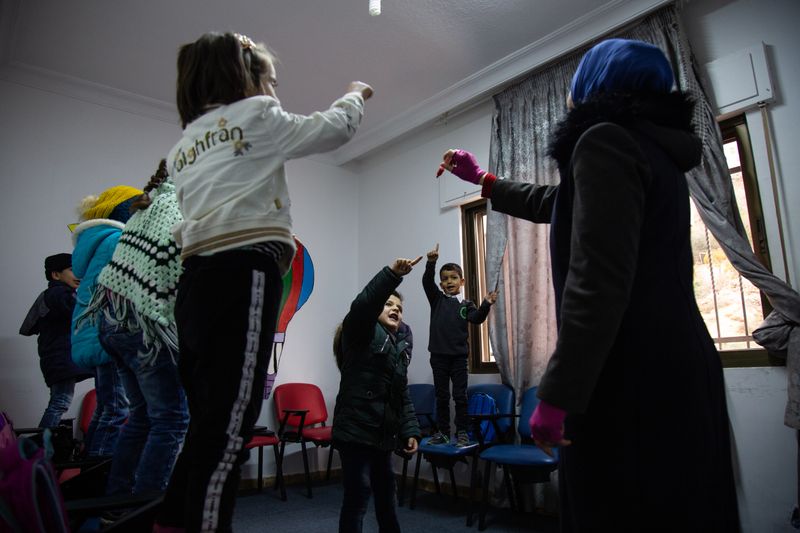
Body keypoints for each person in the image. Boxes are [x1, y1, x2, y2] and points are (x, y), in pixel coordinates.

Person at [439, 38, 739, 531]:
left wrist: (557, 394)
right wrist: (486, 182)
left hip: (628, 377)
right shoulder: (648, 147)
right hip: (673, 369)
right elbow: (558, 203)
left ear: (594, 85)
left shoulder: (604, 140)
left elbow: (597, 282)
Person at [155, 31, 373, 533]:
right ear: (245, 80)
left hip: (195, 285)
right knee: (233, 425)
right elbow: (332, 129)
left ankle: (170, 521)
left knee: (208, 420)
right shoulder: (256, 116)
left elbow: (187, 221)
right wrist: (355, 94)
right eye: (269, 81)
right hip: (244, 273)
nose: (273, 92)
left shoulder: (183, 148)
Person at [82, 160, 189, 501]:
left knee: (142, 418)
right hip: (147, 327)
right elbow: (179, 274)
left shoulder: (148, 206)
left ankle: (117, 503)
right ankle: (146, 510)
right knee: (171, 420)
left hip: (116, 324)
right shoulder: (177, 210)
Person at [332, 257, 422, 533]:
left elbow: (401, 395)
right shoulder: (360, 332)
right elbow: (362, 306)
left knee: (387, 497)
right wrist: (392, 275)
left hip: (383, 434)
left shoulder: (399, 348)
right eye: (389, 304)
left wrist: (410, 430)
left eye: (400, 307)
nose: (396, 309)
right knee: (358, 496)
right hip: (356, 431)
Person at [72, 185, 142, 457]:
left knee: (107, 408)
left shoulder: (98, 240)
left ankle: (93, 473)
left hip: (96, 333)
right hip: (110, 333)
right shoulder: (117, 240)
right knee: (116, 410)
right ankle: (99, 479)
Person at [422, 243, 496, 447]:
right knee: (442, 397)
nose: (449, 281)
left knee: (460, 396)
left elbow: (477, 318)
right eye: (445, 279)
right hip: (438, 357)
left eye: (453, 278)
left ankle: (462, 432)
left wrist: (486, 304)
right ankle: (444, 432)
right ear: (441, 284)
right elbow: (427, 282)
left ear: (462, 281)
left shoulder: (466, 305)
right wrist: (431, 262)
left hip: (459, 358)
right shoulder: (436, 299)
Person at [19, 253, 93, 428]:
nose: (79, 274)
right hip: (61, 359)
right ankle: (42, 447)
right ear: (56, 275)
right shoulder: (58, 294)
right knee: (60, 401)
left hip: (58, 359)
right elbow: (82, 312)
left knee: (60, 401)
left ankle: (42, 445)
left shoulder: (54, 294)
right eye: (73, 269)